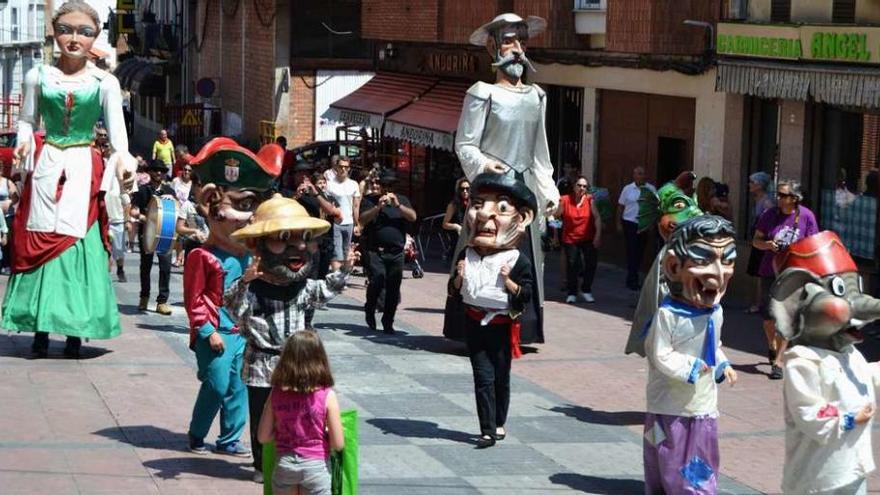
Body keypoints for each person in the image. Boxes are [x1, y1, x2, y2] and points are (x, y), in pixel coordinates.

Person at [6, 0, 136, 359]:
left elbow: (118, 134)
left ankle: (76, 330)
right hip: (47, 163)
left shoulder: (104, 82)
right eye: (66, 30)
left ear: (95, 36)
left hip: (82, 164)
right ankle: (40, 327)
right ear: (55, 33)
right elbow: (28, 120)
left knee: (79, 240)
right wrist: (22, 145)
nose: (74, 38)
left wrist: (123, 161)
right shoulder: (39, 76)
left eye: (84, 31)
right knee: (41, 235)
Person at [224, 194, 355, 483]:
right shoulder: (253, 286)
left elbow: (324, 290)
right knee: (261, 414)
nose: (297, 248)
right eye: (284, 238)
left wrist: (344, 268)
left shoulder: (303, 286)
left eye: (304, 239)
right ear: (260, 245)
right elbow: (233, 309)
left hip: (297, 361)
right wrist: (245, 281)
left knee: (300, 409)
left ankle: (297, 454)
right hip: (262, 361)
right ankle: (261, 463)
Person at [454, 13, 560, 345]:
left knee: (526, 261)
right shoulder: (481, 92)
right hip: (492, 189)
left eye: (522, 42)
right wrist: (485, 164)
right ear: (492, 47)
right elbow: (464, 143)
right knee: (484, 250)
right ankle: (471, 319)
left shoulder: (536, 96)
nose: (517, 49)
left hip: (524, 194)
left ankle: (522, 328)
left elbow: (539, 151)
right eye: (509, 41)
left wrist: (548, 189)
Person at [183, 137, 282, 458]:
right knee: (216, 383)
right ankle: (197, 434)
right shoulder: (202, 256)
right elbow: (194, 299)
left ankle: (229, 439)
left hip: (243, 334)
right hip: (216, 332)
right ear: (211, 201)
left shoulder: (252, 256)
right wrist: (208, 331)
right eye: (241, 206)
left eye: (253, 206)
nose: (250, 216)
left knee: (240, 388)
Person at [768, 231, 880, 495]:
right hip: (818, 478)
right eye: (841, 291)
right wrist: (849, 419)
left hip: (852, 467)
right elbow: (808, 412)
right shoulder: (803, 362)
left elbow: (866, 375)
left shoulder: (849, 353)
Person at [643, 215, 738, 495]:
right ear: (673, 266)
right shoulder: (667, 314)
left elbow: (713, 345)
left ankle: (696, 489)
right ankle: (667, 487)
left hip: (702, 401)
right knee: (669, 450)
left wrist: (723, 364)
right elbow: (660, 354)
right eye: (704, 260)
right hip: (670, 402)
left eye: (727, 260)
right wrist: (692, 367)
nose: (719, 274)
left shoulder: (714, 312)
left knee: (700, 449)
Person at [449, 173, 535, 448]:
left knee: (500, 376)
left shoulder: (518, 260)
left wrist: (509, 282)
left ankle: (499, 421)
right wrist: (459, 278)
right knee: (482, 377)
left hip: (501, 326)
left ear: (522, 218)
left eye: (501, 208)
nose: (485, 214)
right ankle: (486, 429)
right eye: (477, 204)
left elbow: (527, 295)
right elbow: (454, 290)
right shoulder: (467, 254)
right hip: (474, 322)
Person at [257, 331, 345, 494]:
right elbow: (338, 443)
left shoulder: (276, 394)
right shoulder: (327, 395)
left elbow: (263, 436)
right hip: (316, 466)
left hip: (285, 464)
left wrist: (285, 433)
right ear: (320, 359)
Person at [752, 178, 819, 380]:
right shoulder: (769, 215)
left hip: (793, 274)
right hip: (769, 271)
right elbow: (756, 241)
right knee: (768, 318)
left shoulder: (806, 216)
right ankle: (772, 345)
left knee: (785, 319)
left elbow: (813, 243)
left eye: (783, 195)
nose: (778, 198)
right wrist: (768, 246)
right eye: (778, 194)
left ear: (795, 198)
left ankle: (778, 362)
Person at [359, 170, 417, 334]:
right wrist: (378, 207)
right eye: (385, 186)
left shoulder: (402, 200)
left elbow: (413, 217)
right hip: (375, 250)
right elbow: (362, 220)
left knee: (393, 287)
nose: (387, 189)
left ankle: (388, 320)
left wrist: (398, 205)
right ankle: (370, 307)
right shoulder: (370, 200)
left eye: (391, 186)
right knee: (378, 278)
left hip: (396, 251)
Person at [131, 160, 175, 315]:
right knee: (146, 266)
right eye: (155, 170)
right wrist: (144, 218)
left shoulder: (169, 191)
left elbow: (177, 211)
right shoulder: (142, 190)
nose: (158, 173)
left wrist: (174, 201)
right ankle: (144, 297)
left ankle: (162, 302)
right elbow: (134, 211)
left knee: (165, 267)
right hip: (147, 233)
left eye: (161, 171)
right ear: (150, 172)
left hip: (166, 234)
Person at [557, 176, 602, 304]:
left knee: (591, 263)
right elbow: (557, 217)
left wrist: (598, 235)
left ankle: (586, 290)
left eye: (584, 186)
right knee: (573, 266)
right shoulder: (565, 200)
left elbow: (597, 218)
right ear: (574, 186)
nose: (581, 188)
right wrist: (555, 235)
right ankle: (572, 293)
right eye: (579, 185)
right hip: (570, 238)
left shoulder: (590, 200)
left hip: (588, 237)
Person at [617, 166, 655, 291]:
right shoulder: (627, 189)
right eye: (638, 173)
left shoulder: (650, 189)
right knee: (632, 251)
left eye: (643, 173)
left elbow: (654, 208)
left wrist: (651, 224)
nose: (641, 176)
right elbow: (621, 207)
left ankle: (632, 276)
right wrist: (618, 223)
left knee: (639, 252)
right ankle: (633, 280)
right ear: (634, 175)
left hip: (644, 225)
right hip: (630, 224)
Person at [745, 171, 775, 314]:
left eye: (753, 182)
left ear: (760, 185)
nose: (750, 185)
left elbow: (769, 222)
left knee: (760, 272)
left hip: (763, 241)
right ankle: (757, 302)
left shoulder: (767, 202)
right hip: (756, 239)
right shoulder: (758, 200)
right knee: (756, 272)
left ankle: (759, 303)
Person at [324, 155, 361, 271]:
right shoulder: (329, 184)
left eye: (346, 167)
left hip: (349, 222)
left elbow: (355, 206)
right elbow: (326, 205)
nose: (343, 169)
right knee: (337, 252)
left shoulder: (353, 184)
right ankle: (337, 278)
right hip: (336, 222)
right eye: (341, 167)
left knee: (346, 251)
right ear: (336, 167)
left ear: (349, 168)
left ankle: (344, 277)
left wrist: (357, 224)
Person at [100, 138, 128, 283]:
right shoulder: (99, 164)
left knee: (119, 250)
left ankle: (120, 269)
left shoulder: (119, 179)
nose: (106, 148)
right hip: (103, 218)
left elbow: (127, 201)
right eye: (104, 145)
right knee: (104, 249)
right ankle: (105, 273)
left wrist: (127, 220)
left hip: (117, 219)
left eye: (108, 146)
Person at [441, 177, 470, 260]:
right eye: (462, 189)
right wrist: (456, 226)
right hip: (457, 239)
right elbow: (444, 224)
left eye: (467, 189)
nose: (465, 191)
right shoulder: (453, 205)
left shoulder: (474, 203)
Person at [171, 164, 194, 266]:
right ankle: (178, 257)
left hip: (188, 212)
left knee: (187, 237)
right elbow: (170, 193)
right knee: (178, 236)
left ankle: (183, 257)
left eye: (189, 170)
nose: (187, 172)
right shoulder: (176, 181)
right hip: (176, 210)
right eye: (185, 170)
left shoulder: (192, 184)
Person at [0, 157, 20, 274]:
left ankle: (7, 265)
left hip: (7, 216)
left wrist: (10, 201)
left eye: (1, 168)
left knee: (6, 241)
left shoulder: (7, 182)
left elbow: (15, 197)